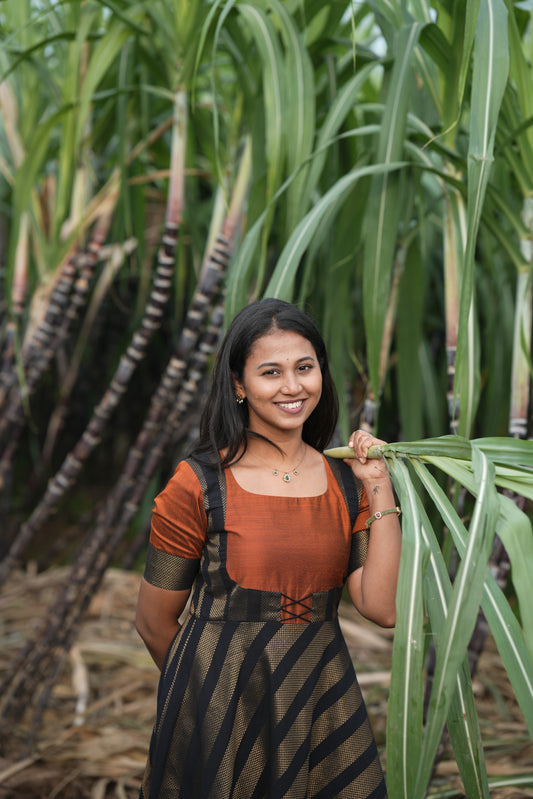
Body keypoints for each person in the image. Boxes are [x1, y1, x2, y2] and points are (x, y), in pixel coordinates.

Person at [136, 298, 402, 799]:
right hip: (217, 714)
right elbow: (153, 623)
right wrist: (205, 704)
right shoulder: (199, 485)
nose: (292, 386)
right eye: (270, 372)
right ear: (239, 385)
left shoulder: (348, 485)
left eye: (304, 367)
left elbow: (381, 607)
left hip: (321, 701)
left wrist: (379, 485)